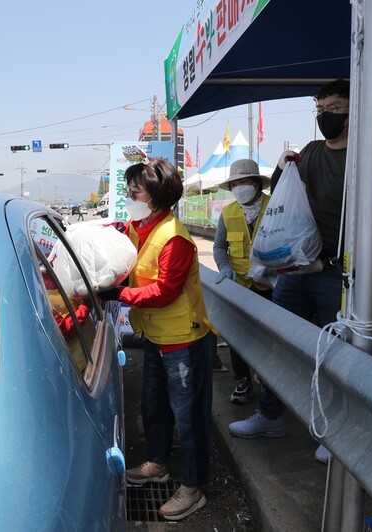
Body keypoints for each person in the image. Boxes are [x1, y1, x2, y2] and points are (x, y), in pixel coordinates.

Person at [227, 79, 372, 465]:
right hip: (296, 273)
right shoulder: (311, 153)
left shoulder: (368, 158)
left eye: (334, 108)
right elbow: (283, 204)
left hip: (339, 274)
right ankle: (270, 415)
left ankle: (333, 431)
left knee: (337, 354)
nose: (325, 115)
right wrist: (281, 171)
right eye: (321, 108)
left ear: (354, 113)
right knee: (279, 345)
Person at [98, 157, 215, 521]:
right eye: (129, 186)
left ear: (158, 194)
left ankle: (194, 488)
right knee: (153, 407)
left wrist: (118, 294)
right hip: (155, 337)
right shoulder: (139, 228)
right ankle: (157, 463)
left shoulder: (174, 238)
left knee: (188, 415)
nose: (130, 192)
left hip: (183, 341)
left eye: (137, 187)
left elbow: (165, 291)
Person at [212, 158, 273, 404]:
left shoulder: (275, 207)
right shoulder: (228, 213)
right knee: (237, 335)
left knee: (269, 338)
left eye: (244, 181)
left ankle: (268, 379)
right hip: (239, 284)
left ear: (257, 183)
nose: (239, 187)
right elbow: (218, 247)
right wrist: (225, 267)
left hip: (270, 285)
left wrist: (273, 269)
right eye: (235, 183)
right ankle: (242, 380)